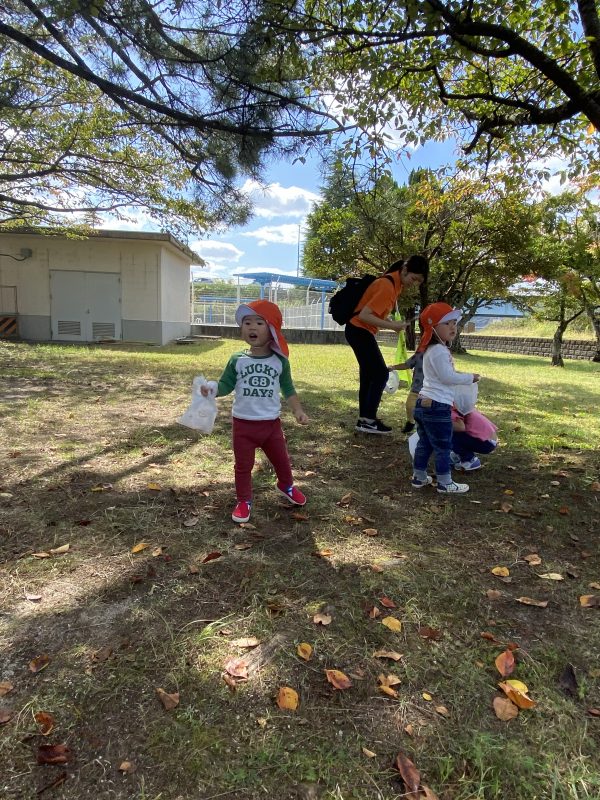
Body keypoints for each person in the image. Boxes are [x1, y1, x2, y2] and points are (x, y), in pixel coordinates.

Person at [201, 300, 308, 523]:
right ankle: (244, 500)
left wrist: (298, 411)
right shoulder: (237, 360)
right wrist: (211, 389)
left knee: (282, 460)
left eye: (259, 322)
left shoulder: (280, 361)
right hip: (243, 425)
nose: (251, 327)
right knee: (243, 466)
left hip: (271, 425)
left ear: (272, 330)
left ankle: (286, 486)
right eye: (247, 322)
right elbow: (225, 385)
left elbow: (288, 388)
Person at [346, 255, 429, 434]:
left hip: (360, 331)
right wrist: (393, 326)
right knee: (381, 373)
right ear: (405, 269)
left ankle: (365, 419)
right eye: (414, 279)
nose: (413, 284)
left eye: (418, 282)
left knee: (369, 375)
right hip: (358, 330)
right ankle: (368, 420)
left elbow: (374, 312)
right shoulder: (387, 285)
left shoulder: (394, 285)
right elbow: (364, 315)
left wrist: (390, 321)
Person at [411, 302, 480, 494]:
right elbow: (447, 377)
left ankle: (419, 476)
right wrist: (470, 377)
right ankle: (445, 482)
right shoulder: (440, 351)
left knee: (424, 442)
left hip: (423, 403)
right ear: (433, 328)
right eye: (446, 323)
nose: (452, 327)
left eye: (454, 323)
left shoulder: (431, 350)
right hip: (437, 406)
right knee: (443, 445)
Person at [387, 350, 424, 434]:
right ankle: (411, 423)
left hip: (431, 392)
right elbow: (407, 364)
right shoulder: (419, 355)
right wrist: (394, 367)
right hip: (416, 389)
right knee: (409, 406)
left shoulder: (439, 357)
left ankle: (423, 428)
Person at [451, 407, 498, 471]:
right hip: (490, 439)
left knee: (451, 435)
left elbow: (460, 427)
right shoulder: (462, 406)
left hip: (486, 443)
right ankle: (458, 455)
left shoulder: (451, 411)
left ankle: (469, 459)